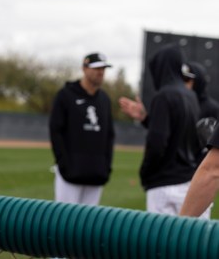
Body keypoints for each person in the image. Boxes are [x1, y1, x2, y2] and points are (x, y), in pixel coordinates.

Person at [119, 43, 202, 216]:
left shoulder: (163, 96)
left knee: (161, 242)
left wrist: (146, 173)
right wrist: (145, 118)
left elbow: (157, 143)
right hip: (187, 183)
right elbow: (181, 134)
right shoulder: (191, 96)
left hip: (164, 186)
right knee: (186, 241)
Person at [49, 52, 115, 206]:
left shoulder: (104, 100)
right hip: (70, 173)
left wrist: (106, 167)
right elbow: (55, 131)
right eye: (96, 68)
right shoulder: (65, 95)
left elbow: (109, 136)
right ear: (84, 69)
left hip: (96, 173)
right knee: (64, 221)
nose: (101, 72)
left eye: (103, 69)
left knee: (89, 225)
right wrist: (63, 163)